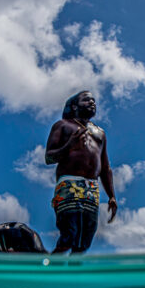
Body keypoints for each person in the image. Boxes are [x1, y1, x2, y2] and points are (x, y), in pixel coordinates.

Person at [44, 90, 117, 253]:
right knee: (69, 235)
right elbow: (49, 157)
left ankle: (71, 277)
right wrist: (69, 145)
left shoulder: (100, 133)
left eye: (94, 101)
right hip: (69, 184)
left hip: (91, 189)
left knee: (84, 241)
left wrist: (112, 196)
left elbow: (105, 167)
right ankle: (48, 273)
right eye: (87, 100)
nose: (92, 103)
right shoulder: (63, 125)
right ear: (75, 106)